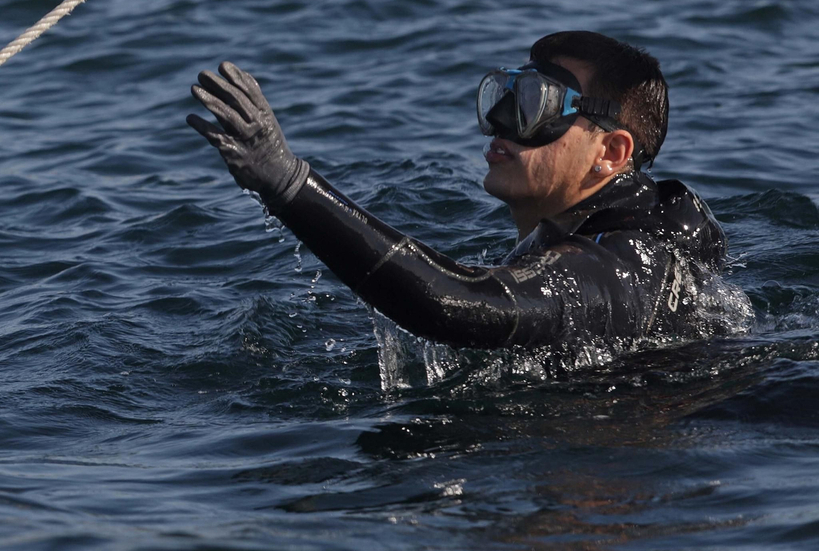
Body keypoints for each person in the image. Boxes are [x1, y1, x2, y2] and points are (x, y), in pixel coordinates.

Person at [187, 31, 727, 350]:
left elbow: (467, 306)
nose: (500, 121)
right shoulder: (599, 238)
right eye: (506, 94)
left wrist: (288, 184)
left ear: (610, 152)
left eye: (536, 104)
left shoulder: (618, 266)